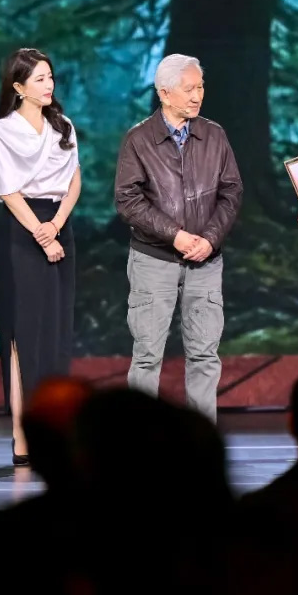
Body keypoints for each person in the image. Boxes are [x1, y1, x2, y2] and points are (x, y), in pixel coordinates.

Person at [114, 53, 243, 423]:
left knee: (205, 354)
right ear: (164, 93)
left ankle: (202, 440)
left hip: (205, 261)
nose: (197, 95)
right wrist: (176, 236)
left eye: (200, 87)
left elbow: (231, 192)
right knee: (147, 355)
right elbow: (127, 200)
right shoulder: (139, 139)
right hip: (153, 260)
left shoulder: (214, 135)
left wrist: (210, 238)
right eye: (189, 89)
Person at [0, 48, 81, 463]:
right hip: (20, 232)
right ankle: (21, 434)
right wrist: (42, 236)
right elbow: (8, 191)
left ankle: (55, 427)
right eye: (40, 79)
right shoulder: (3, 130)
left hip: (58, 224)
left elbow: (75, 180)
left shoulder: (64, 125)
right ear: (19, 87)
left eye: (50, 77)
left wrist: (56, 225)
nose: (49, 85)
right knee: (22, 333)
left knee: (56, 330)